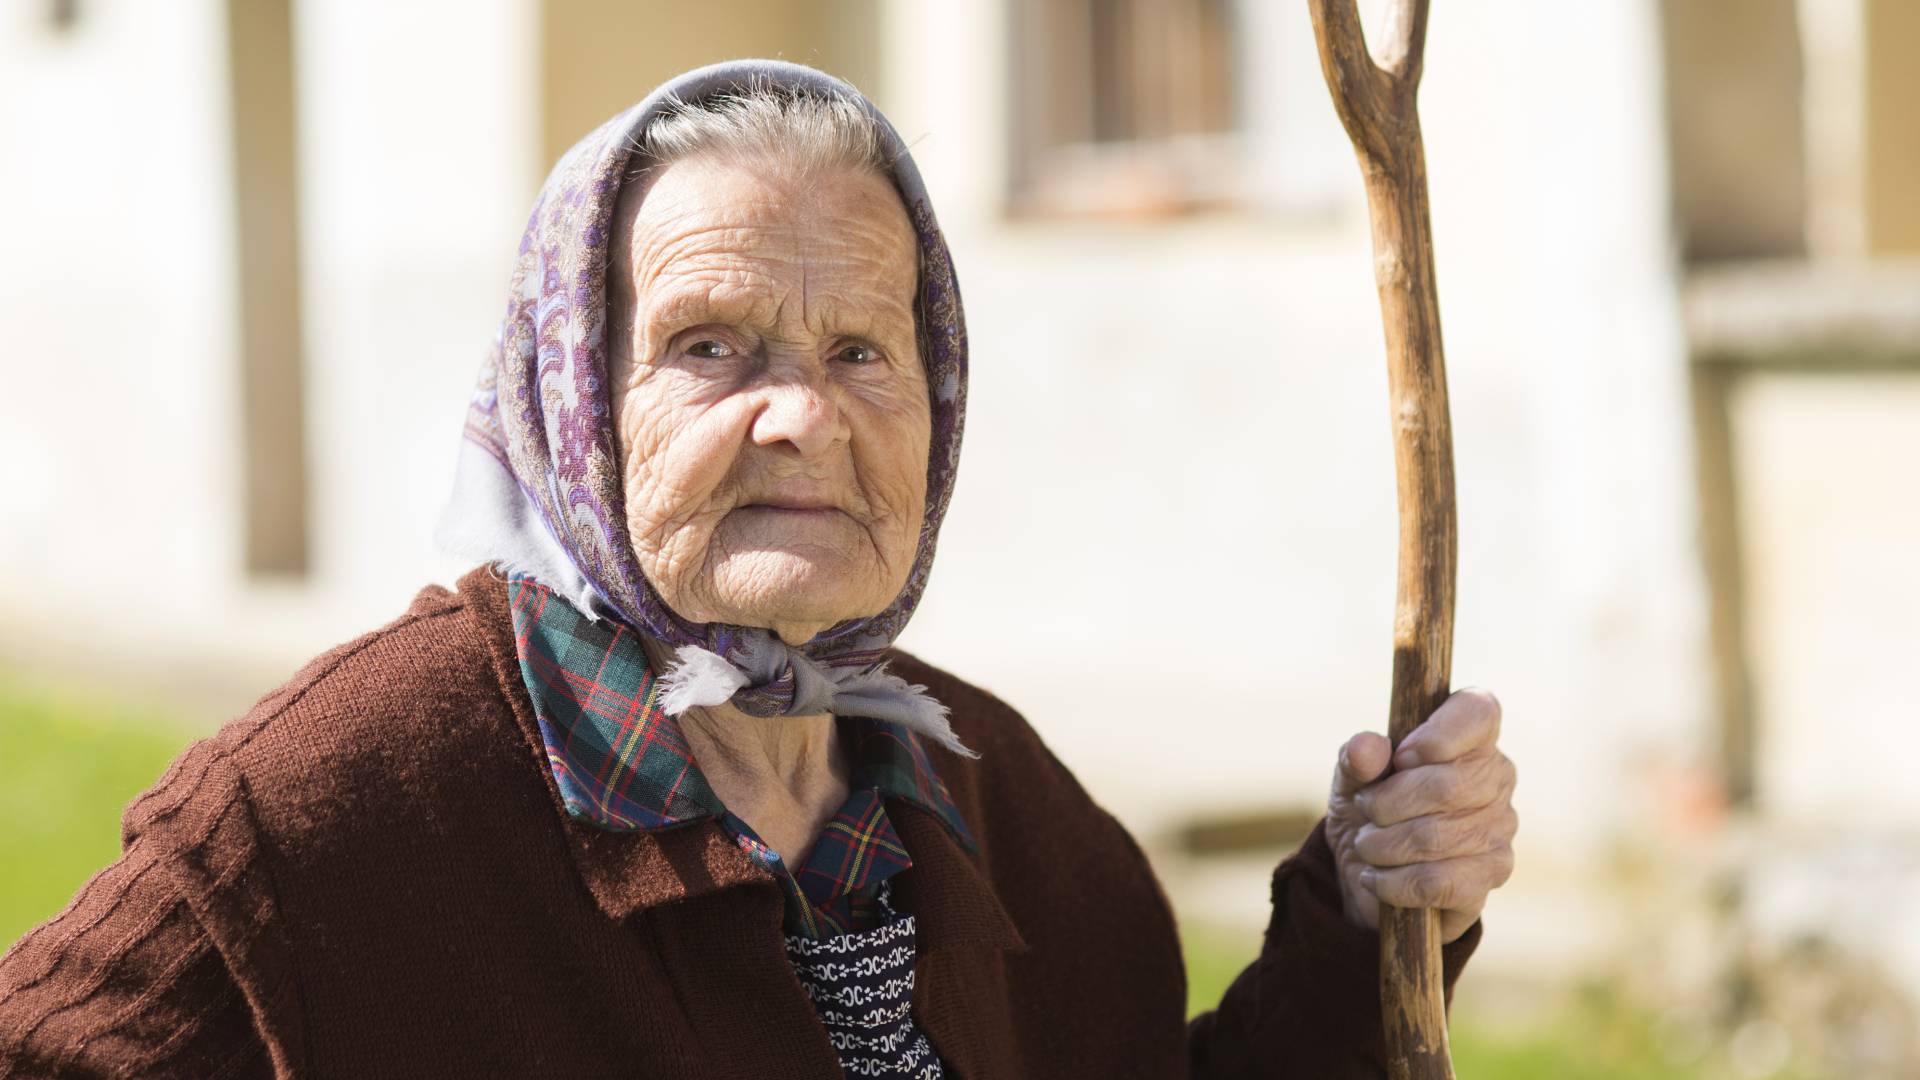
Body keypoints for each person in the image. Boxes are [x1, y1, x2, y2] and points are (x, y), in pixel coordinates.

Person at [0, 60, 1517, 1078]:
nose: (801, 417)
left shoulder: (983, 794)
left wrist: (1377, 908)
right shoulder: (326, 814)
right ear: (569, 399)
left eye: (863, 350)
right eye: (709, 347)